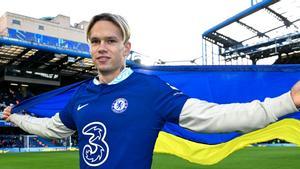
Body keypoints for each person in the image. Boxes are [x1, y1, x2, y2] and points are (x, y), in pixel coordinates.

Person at [2, 13, 300, 169]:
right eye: (95, 41)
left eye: (110, 40)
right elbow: (53, 128)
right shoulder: (81, 96)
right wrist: (15, 119)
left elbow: (216, 118)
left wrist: (287, 101)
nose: (102, 47)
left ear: (125, 48)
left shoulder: (150, 90)